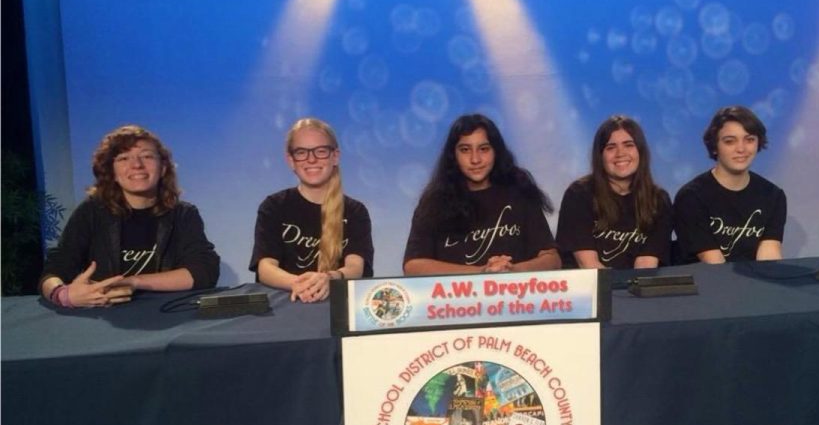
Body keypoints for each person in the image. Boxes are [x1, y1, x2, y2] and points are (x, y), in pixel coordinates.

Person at [40, 125, 220, 308]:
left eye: (147, 156)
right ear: (112, 173)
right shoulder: (91, 211)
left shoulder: (183, 214)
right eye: (124, 158)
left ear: (163, 168)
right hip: (103, 315)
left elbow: (204, 272)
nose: (136, 165)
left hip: (165, 314)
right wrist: (64, 295)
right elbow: (54, 270)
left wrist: (134, 282)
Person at [403, 113, 560, 275]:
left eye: (484, 149)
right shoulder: (434, 202)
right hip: (453, 299)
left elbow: (552, 260)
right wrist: (481, 272)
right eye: (465, 150)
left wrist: (513, 270)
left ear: (496, 151)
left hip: (517, 298)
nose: (475, 159)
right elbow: (413, 266)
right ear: (453, 156)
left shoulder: (520, 193)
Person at [250, 117, 373, 302]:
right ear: (291, 160)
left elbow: (355, 267)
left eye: (321, 151)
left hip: (338, 305)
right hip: (287, 303)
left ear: (335, 156)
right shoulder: (274, 206)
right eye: (301, 152)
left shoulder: (355, 211)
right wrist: (299, 283)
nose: (312, 159)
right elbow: (265, 266)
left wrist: (328, 279)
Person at [556, 115, 672, 269]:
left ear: (640, 152)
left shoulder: (659, 200)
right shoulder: (578, 194)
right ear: (600, 156)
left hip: (636, 288)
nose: (620, 153)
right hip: (592, 288)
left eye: (628, 145)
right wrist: (613, 291)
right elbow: (588, 264)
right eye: (611, 147)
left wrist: (632, 291)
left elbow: (646, 263)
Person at [674, 105, 786, 263]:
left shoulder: (773, 196)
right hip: (707, 284)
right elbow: (713, 263)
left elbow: (769, 256)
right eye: (730, 141)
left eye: (749, 140)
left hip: (755, 284)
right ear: (715, 147)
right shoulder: (691, 197)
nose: (741, 149)